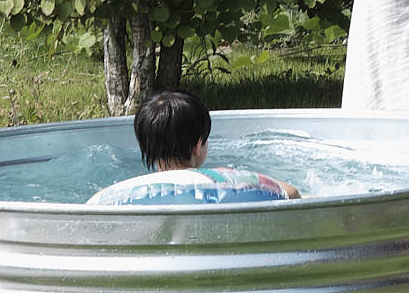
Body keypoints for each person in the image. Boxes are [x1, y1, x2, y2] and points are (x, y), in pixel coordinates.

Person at [89, 83, 297, 205]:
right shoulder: (237, 183)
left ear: (145, 146)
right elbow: (292, 193)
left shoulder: (114, 196)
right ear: (197, 146)